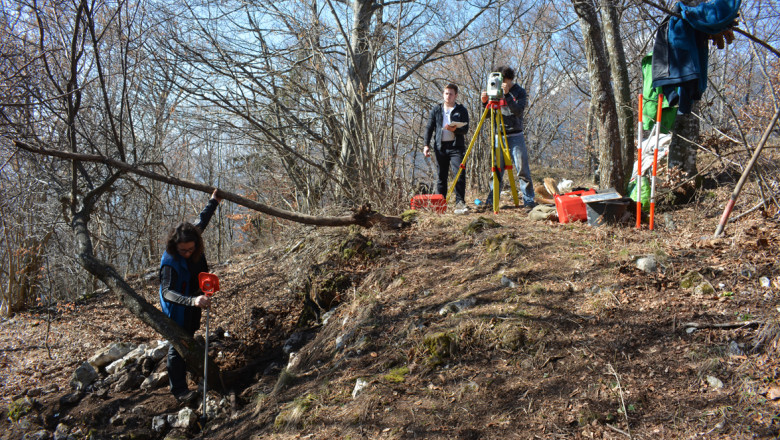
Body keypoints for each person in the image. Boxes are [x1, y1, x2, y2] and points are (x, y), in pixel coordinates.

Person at [159, 189, 221, 404]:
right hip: (177, 308)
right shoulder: (170, 262)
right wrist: (192, 301)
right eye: (182, 250)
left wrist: (214, 201)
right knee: (178, 346)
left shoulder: (193, 238)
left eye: (190, 249)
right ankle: (179, 390)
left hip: (194, 299)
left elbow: (202, 220)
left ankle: (193, 370)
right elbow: (167, 292)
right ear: (175, 246)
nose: (186, 253)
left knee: (191, 335)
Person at [479, 66, 535, 210]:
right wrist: (485, 102)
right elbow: (488, 116)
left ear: (510, 79)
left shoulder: (519, 91)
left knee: (522, 171)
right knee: (496, 170)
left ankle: (528, 202)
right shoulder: (494, 91)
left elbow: (518, 111)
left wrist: (508, 94)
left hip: (515, 134)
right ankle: (492, 201)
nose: (501, 83)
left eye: (504, 81)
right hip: (499, 135)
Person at [423, 83, 470, 212]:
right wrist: (426, 145)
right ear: (443, 94)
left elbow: (465, 129)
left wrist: (455, 130)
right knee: (441, 177)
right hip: (440, 147)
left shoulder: (461, 110)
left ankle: (460, 202)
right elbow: (429, 127)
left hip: (456, 147)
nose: (448, 96)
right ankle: (441, 204)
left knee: (459, 174)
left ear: (456, 95)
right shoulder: (436, 109)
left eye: (451, 94)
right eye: (446, 93)